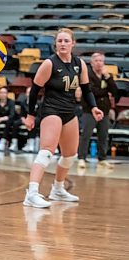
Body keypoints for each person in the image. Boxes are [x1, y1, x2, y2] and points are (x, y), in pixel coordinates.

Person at [23, 28, 103, 208]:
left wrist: (94, 107)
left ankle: (57, 189)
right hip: (51, 110)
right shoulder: (50, 63)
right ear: (55, 44)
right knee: (46, 152)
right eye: (60, 41)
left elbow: (86, 89)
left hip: (69, 111)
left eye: (66, 41)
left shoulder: (79, 63)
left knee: (69, 155)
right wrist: (30, 115)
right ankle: (32, 193)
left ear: (73, 43)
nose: (63, 44)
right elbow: (35, 90)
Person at [78, 53, 118, 169]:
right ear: (91, 62)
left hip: (104, 110)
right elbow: (91, 91)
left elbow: (115, 91)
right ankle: (81, 158)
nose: (99, 63)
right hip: (89, 110)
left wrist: (108, 78)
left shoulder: (107, 76)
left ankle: (102, 158)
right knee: (86, 134)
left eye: (101, 61)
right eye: (96, 60)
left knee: (103, 135)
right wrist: (105, 92)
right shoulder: (87, 75)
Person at [0, 87, 16, 151]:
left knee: (9, 122)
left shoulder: (11, 102)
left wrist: (1, 119)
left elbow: (11, 115)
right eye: (1, 92)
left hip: (7, 119)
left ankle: (2, 142)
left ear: (7, 94)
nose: (2, 94)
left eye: (4, 93)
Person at [18, 87, 41, 153]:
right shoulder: (23, 102)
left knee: (32, 123)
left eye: (31, 92)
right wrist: (24, 120)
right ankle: (14, 144)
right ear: (26, 94)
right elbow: (22, 114)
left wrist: (30, 120)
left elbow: (39, 114)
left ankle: (31, 143)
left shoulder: (38, 102)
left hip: (37, 119)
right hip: (26, 119)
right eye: (28, 92)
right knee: (16, 123)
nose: (29, 94)